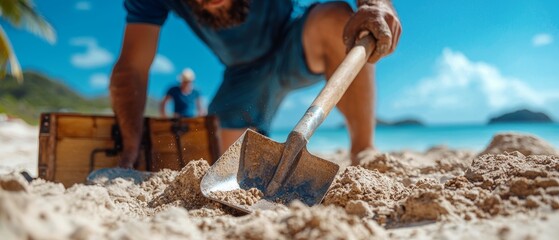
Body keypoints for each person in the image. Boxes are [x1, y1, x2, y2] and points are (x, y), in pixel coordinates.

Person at [110, 0, 401, 168]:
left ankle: (363, 147)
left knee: (335, 18)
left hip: (293, 42)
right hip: (242, 77)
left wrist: (375, 3)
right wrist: (131, 140)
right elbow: (132, 67)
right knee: (228, 164)